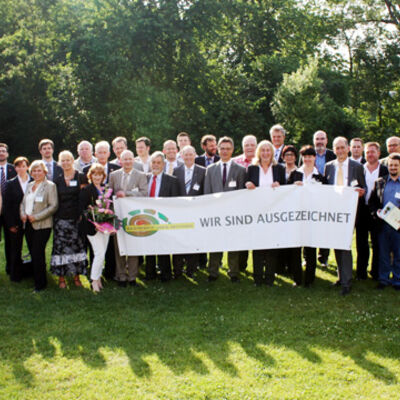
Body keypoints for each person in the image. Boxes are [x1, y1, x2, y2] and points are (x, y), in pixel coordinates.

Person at [324, 136, 366, 296]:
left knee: (346, 245)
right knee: (336, 243)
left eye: (343, 147)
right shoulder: (329, 167)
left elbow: (363, 187)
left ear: (348, 148)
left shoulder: (356, 166)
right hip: (334, 212)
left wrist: (361, 193)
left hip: (350, 212)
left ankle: (347, 282)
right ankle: (341, 277)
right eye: (337, 148)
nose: (340, 151)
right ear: (334, 150)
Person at [204, 136, 246, 282]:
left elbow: (242, 194)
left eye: (228, 149)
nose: (225, 151)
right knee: (215, 243)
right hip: (215, 213)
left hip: (233, 214)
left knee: (233, 243)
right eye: (222, 148)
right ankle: (213, 271)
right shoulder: (210, 170)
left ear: (232, 150)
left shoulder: (240, 170)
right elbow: (207, 193)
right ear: (218, 150)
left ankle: (233, 272)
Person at [245, 140, 286, 286]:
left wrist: (279, 186)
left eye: (268, 150)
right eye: (263, 150)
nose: (266, 153)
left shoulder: (279, 168)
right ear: (258, 152)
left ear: (272, 152)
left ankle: (269, 277)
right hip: (256, 213)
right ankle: (257, 277)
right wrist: (247, 185)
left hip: (274, 213)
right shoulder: (252, 168)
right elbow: (246, 186)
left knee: (271, 246)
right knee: (257, 246)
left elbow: (286, 189)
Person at [287, 145, 326, 287]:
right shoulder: (295, 174)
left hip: (312, 217)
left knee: (310, 250)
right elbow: (285, 194)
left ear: (315, 158)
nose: (308, 159)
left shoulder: (320, 176)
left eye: (310, 156)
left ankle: (309, 280)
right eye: (305, 156)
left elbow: (325, 197)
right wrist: (292, 186)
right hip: (296, 216)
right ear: (302, 158)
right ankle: (297, 279)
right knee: (295, 250)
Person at [109, 150, 148, 286]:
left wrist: (126, 194)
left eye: (130, 159)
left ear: (134, 160)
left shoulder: (141, 175)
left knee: (133, 246)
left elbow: (144, 194)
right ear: (120, 161)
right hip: (118, 215)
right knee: (119, 246)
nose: (127, 162)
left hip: (134, 216)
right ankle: (121, 276)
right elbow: (109, 193)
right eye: (124, 159)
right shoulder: (113, 175)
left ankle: (132, 277)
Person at [82, 141, 120, 280]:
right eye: (99, 152)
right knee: (96, 250)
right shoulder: (86, 169)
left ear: (109, 153)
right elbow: (84, 199)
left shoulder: (116, 168)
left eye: (105, 152)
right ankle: (95, 276)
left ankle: (110, 273)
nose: (102, 155)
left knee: (108, 248)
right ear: (95, 154)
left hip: (108, 217)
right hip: (93, 222)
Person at [50, 151, 87, 288]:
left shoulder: (81, 177)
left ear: (72, 160)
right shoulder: (57, 180)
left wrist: (81, 215)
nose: (65, 163)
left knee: (75, 248)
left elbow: (83, 198)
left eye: (67, 160)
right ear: (59, 163)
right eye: (62, 160)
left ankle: (76, 277)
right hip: (60, 220)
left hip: (76, 220)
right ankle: (61, 278)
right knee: (60, 248)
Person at [20, 160, 58, 292]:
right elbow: (23, 203)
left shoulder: (50, 186)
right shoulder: (30, 185)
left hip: (42, 225)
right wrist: (23, 214)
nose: (36, 173)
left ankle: (40, 284)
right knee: (33, 253)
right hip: (29, 224)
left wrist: (36, 217)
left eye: (39, 170)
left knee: (38, 253)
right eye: (34, 171)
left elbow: (53, 206)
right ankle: (36, 278)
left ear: (44, 172)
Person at [355, 142, 388, 280]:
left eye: (373, 152)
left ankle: (375, 272)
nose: (370, 154)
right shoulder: (359, 169)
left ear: (379, 154)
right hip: (361, 210)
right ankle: (361, 273)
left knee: (377, 243)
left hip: (378, 211)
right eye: (368, 152)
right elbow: (353, 184)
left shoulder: (385, 170)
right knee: (361, 243)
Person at [145, 152, 180, 282]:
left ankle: (166, 274)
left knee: (163, 247)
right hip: (147, 218)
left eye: (158, 162)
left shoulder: (171, 180)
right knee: (148, 247)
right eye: (153, 162)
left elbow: (175, 202)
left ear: (163, 164)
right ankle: (149, 274)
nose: (155, 165)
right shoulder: (145, 178)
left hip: (164, 219)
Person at [173, 145, 206, 278]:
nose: (188, 157)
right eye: (185, 154)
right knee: (178, 241)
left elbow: (204, 191)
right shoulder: (176, 171)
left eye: (190, 154)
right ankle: (177, 270)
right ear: (181, 156)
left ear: (195, 155)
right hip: (180, 213)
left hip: (195, 212)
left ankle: (191, 270)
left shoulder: (203, 171)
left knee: (193, 241)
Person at [369, 153, 400, 290]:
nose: (393, 167)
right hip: (383, 225)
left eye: (396, 165)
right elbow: (372, 203)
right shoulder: (380, 182)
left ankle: (397, 281)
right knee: (383, 254)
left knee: (399, 254)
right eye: (391, 165)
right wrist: (376, 212)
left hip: (398, 225)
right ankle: (384, 279)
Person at [79, 163, 109, 292]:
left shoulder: (106, 189)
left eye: (100, 174)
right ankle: (93, 280)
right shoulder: (86, 190)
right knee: (99, 253)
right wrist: (94, 222)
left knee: (103, 254)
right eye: (95, 174)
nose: (97, 177)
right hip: (92, 228)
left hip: (106, 227)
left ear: (103, 176)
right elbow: (82, 210)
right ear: (91, 175)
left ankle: (98, 278)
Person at [309, 130, 336, 267]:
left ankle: (323, 257)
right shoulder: (308, 154)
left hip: (327, 195)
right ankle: (308, 257)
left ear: (326, 140)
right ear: (314, 141)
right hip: (310, 195)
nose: (319, 141)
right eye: (317, 139)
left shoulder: (333, 154)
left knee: (325, 226)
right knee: (309, 225)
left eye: (322, 139)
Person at [4, 157, 31, 282]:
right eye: (18, 166)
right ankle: (15, 275)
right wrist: (10, 224)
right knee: (15, 249)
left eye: (23, 166)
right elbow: (7, 205)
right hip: (16, 221)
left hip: (32, 221)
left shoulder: (34, 181)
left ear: (27, 167)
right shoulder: (10, 183)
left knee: (33, 248)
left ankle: (33, 272)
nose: (21, 168)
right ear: (15, 168)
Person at [0, 143, 17, 274]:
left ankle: (10, 268)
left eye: (3, 151)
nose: (1, 153)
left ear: (7, 154)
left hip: (10, 211)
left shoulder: (13, 169)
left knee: (10, 241)